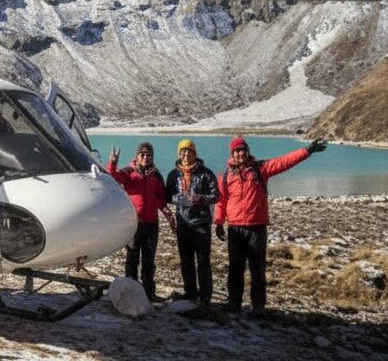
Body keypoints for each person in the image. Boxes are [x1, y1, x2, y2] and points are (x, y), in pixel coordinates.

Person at [214, 135, 327, 316]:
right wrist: (218, 222)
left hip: (257, 227)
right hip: (235, 228)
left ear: (247, 151)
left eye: (243, 150)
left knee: (257, 269)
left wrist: (307, 151)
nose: (240, 153)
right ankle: (234, 303)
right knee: (235, 268)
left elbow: (284, 162)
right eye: (237, 151)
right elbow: (221, 200)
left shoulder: (261, 169)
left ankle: (258, 306)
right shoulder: (226, 176)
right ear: (232, 154)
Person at [108, 142, 176, 301]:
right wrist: (112, 162)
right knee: (132, 258)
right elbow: (113, 176)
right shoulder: (129, 172)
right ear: (137, 156)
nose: (146, 157)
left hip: (152, 224)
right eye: (142, 154)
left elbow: (160, 199)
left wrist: (169, 216)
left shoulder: (157, 176)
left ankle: (148, 293)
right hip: (134, 224)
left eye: (149, 155)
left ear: (152, 157)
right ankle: (130, 292)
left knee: (149, 260)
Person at [164, 139, 219, 307]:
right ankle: (190, 293)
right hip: (183, 222)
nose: (186, 154)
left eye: (189, 151)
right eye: (183, 151)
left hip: (201, 222)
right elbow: (167, 195)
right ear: (179, 154)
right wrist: (178, 199)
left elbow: (216, 195)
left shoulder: (206, 173)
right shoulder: (174, 174)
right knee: (186, 260)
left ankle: (205, 296)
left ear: (195, 154)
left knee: (203, 261)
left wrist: (199, 199)